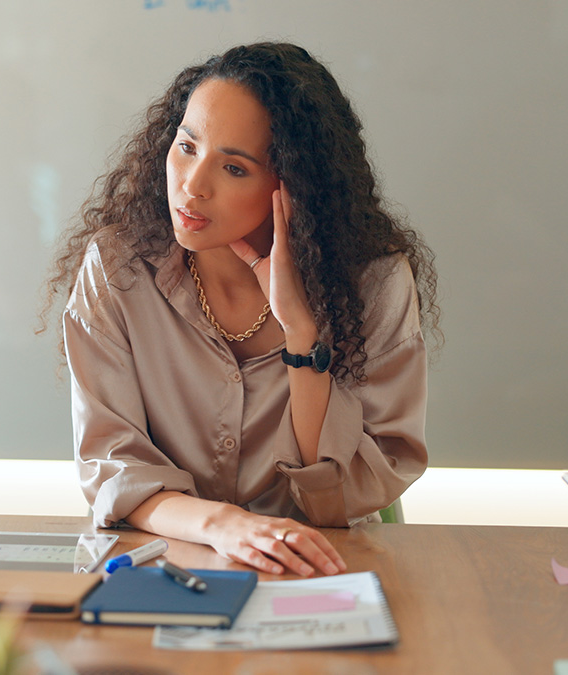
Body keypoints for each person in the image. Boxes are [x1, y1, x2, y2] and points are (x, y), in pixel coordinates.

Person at [43, 43, 439, 577]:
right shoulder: (118, 269)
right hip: (167, 570)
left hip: (322, 571)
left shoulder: (374, 283)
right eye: (187, 146)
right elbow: (116, 473)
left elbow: (341, 503)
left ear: (292, 185)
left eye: (233, 167)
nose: (192, 185)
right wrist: (224, 525)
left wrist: (302, 336)